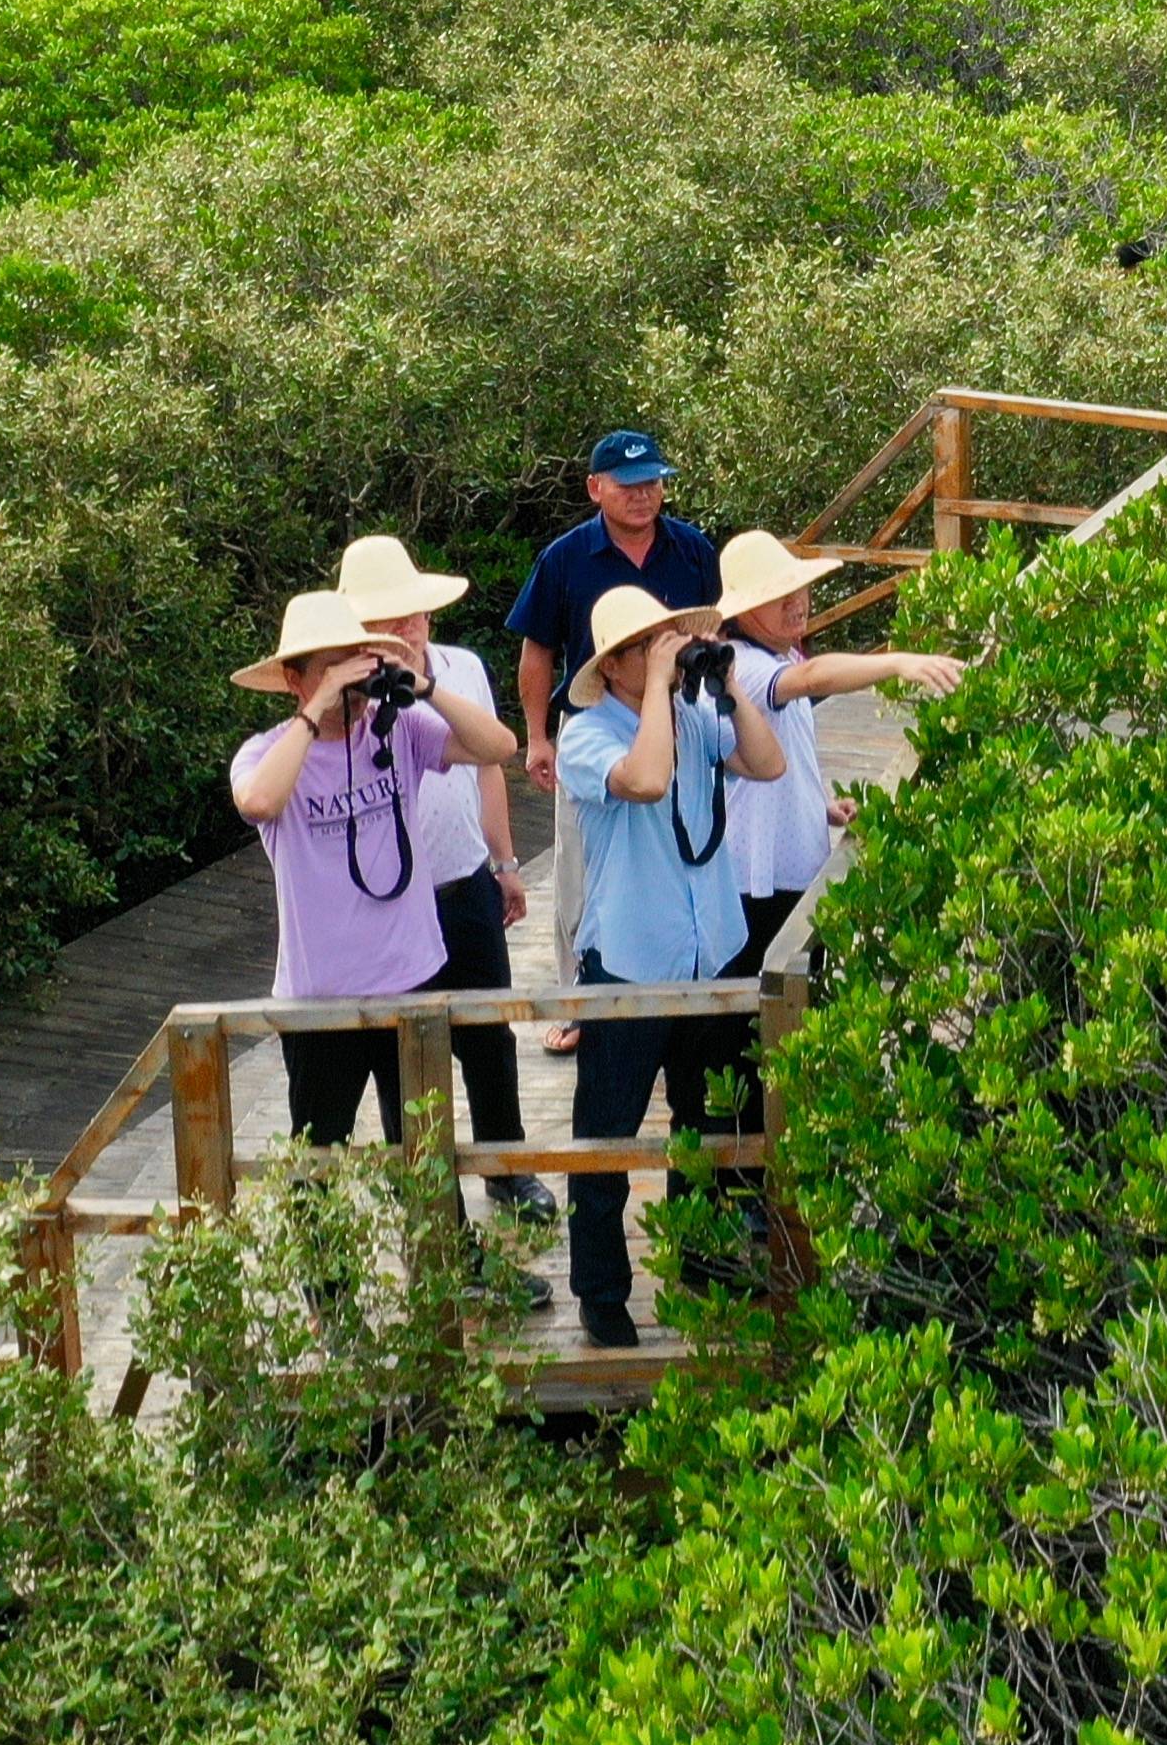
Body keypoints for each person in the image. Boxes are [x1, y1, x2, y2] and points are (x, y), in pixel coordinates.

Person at [549, 579, 781, 1350]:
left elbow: (768, 763)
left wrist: (729, 685)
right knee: (606, 1135)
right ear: (613, 664)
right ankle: (601, 1290)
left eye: (666, 641)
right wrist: (658, 686)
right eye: (646, 646)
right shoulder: (587, 733)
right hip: (629, 963)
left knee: (705, 1119)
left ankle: (698, 1253)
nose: (664, 654)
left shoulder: (692, 712)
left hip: (707, 952)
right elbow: (646, 780)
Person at [227, 585, 504, 1148]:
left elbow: (497, 747)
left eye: (355, 664)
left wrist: (423, 687)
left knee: (425, 1155)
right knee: (316, 1163)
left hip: (412, 978)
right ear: (294, 680)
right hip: (321, 998)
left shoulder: (399, 729)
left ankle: (448, 1220)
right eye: (332, 668)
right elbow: (258, 801)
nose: (349, 683)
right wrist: (317, 710)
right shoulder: (266, 753)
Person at [330, 536, 537, 1213]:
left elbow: (490, 765)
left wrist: (504, 861)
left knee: (490, 1036)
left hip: (464, 879)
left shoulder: (462, 669)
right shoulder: (342, 698)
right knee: (405, 1059)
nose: (406, 627)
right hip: (390, 907)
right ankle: (426, 1195)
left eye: (413, 612)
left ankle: (507, 1167)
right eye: (386, 618)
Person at [708, 528, 966, 982]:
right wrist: (898, 662)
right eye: (779, 596)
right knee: (765, 1003)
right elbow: (813, 678)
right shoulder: (741, 664)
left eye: (799, 589)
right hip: (759, 879)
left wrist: (819, 806)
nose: (797, 603)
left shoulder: (781, 655)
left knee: (798, 995)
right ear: (744, 610)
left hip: (791, 867)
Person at [509, 428, 719, 794]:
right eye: (627, 485)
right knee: (591, 831)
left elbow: (721, 628)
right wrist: (537, 738)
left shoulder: (693, 549)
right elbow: (538, 650)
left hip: (684, 718)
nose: (642, 495)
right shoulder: (564, 558)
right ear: (595, 488)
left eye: (651, 482)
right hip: (593, 728)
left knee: (690, 822)